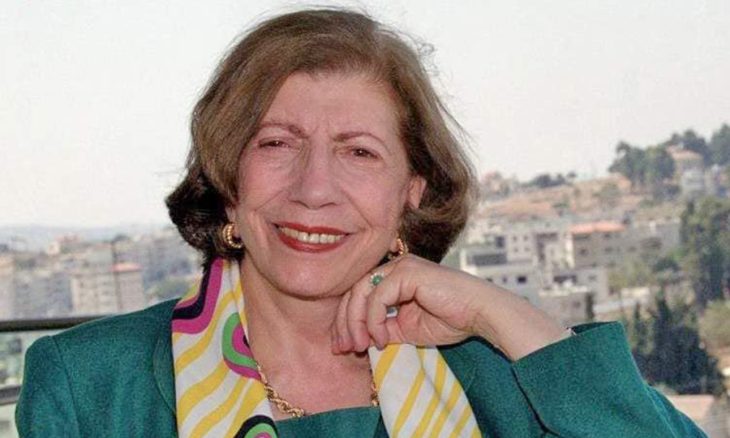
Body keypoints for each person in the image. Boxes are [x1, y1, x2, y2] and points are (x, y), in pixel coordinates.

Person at [16, 8, 706, 438]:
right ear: (227, 180)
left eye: (359, 152)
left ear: (412, 190)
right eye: (276, 143)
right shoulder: (89, 385)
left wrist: (501, 314)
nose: (315, 189)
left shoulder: (508, 376)